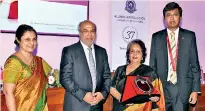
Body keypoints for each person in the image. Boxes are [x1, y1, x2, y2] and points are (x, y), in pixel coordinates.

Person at [149, 2, 201, 111]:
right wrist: (153, 90)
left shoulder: (189, 36)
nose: (172, 18)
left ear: (180, 17)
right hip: (162, 89)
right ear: (164, 18)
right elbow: (152, 66)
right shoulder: (156, 37)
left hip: (182, 89)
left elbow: (195, 65)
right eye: (168, 15)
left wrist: (195, 90)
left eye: (175, 14)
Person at [60, 20, 111, 111]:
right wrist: (83, 95)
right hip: (76, 105)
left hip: (97, 105)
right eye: (85, 31)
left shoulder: (102, 52)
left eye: (92, 31)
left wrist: (103, 94)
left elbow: (107, 76)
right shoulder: (70, 51)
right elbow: (65, 78)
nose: (89, 34)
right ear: (79, 33)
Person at [3, 24, 52, 111]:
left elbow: (53, 79)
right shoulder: (13, 62)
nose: (32, 43)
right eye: (27, 40)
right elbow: (8, 92)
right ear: (18, 40)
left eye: (34, 39)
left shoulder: (40, 61)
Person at [110, 39, 165, 111]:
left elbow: (157, 93)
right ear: (128, 54)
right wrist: (122, 98)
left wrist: (156, 97)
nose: (135, 54)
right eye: (132, 51)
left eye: (138, 52)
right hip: (120, 107)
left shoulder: (150, 72)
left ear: (142, 55)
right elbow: (112, 88)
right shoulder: (120, 70)